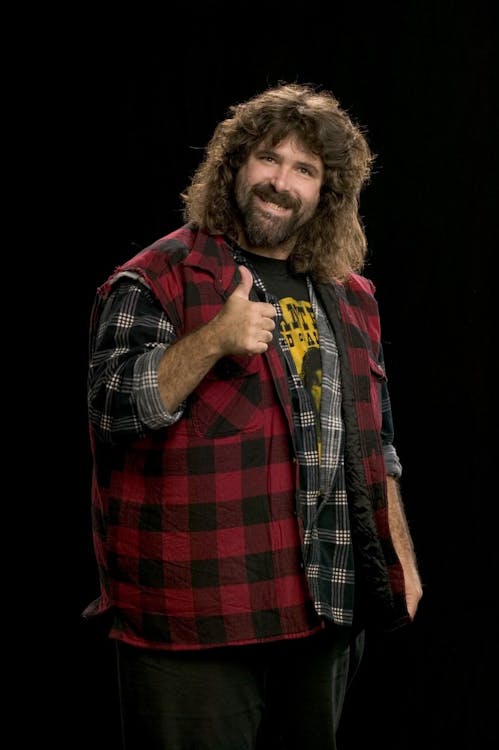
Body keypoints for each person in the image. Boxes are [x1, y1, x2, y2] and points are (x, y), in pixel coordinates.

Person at [83, 82, 423, 750]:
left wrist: (401, 559)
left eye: (304, 169)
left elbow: (376, 445)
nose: (280, 182)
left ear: (326, 191)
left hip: (325, 611)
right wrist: (213, 339)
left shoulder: (349, 296)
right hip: (198, 621)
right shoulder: (159, 277)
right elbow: (112, 408)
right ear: (235, 164)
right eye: (269, 157)